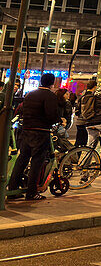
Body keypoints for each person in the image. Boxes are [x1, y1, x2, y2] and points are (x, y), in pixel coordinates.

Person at [8, 72, 63, 201]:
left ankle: (12, 189)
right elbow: (51, 114)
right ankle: (32, 192)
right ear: (52, 83)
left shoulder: (30, 94)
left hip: (26, 130)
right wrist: (58, 120)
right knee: (37, 162)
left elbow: (23, 110)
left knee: (22, 159)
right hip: (41, 131)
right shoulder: (50, 96)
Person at [73, 76, 97, 146]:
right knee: (82, 143)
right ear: (95, 87)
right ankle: (74, 156)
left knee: (79, 142)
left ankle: (73, 156)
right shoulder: (91, 97)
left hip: (79, 121)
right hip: (85, 122)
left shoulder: (82, 96)